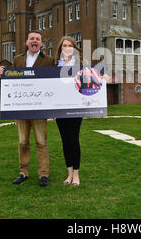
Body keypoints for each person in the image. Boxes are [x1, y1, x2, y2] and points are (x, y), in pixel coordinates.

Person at [0, 31, 54, 187]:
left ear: (41, 44)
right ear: (27, 42)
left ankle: (43, 174)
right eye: (32, 39)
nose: (34, 41)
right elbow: (12, 80)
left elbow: (57, 81)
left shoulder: (49, 60)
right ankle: (23, 172)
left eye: (37, 39)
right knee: (23, 142)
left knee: (41, 142)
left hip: (39, 109)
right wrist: (3, 73)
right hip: (21, 109)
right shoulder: (18, 59)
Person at [53, 36, 86, 187]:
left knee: (74, 140)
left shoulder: (81, 65)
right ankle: (69, 174)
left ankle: (77, 175)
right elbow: (53, 89)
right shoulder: (56, 66)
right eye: (64, 45)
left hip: (75, 108)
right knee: (65, 141)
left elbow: (89, 84)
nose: (66, 48)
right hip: (60, 109)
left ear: (74, 48)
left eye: (69, 45)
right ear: (60, 48)